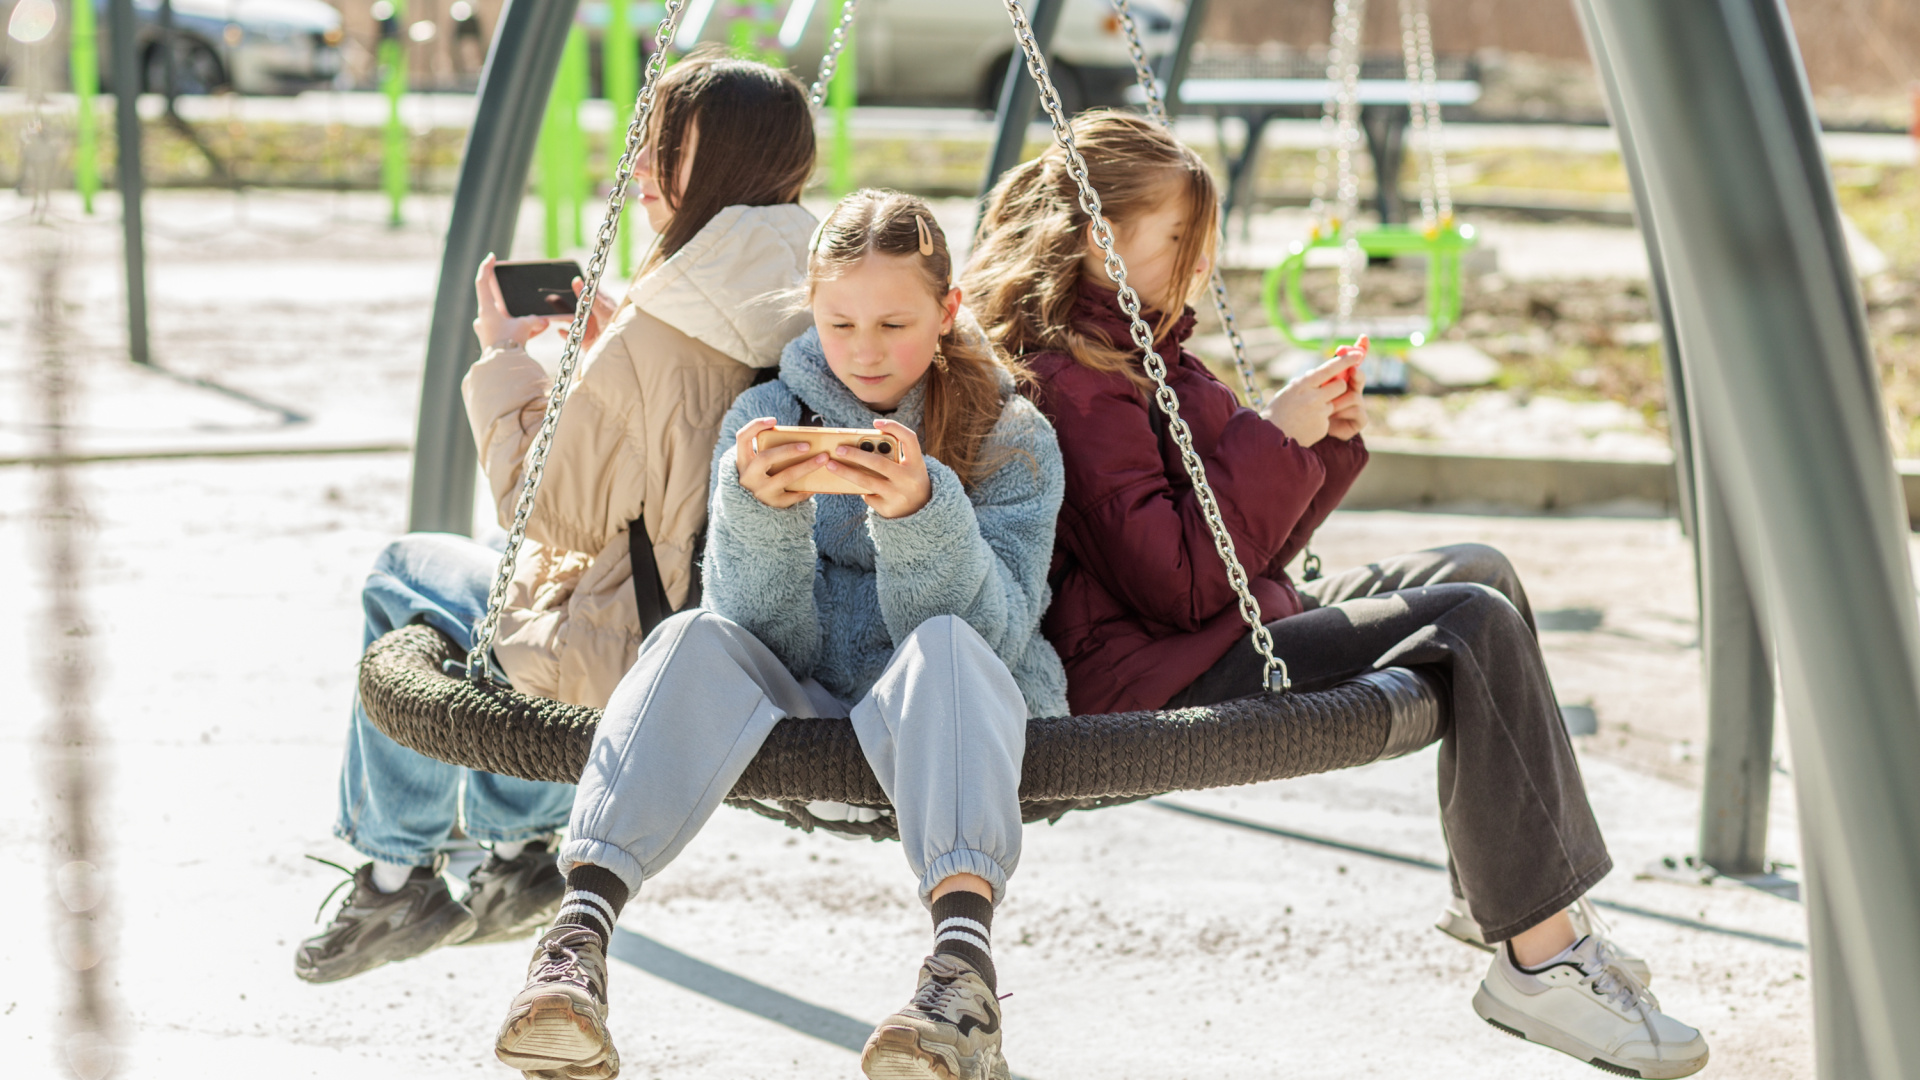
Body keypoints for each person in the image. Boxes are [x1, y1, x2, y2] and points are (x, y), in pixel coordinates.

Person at [965, 110, 1709, 1080]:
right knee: (1468, 624)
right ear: (1093, 241)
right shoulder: (1073, 381)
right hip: (1150, 676)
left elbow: (1248, 548)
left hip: (1209, 630)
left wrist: (1314, 446)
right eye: (1181, 243)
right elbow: (1185, 580)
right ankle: (1541, 958)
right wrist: (1272, 436)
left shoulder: (1148, 354)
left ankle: (1502, 893)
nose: (1203, 266)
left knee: (1477, 570)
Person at [489, 190, 1065, 1080]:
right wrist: (757, 513)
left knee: (949, 647)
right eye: (840, 323)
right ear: (811, 309)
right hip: (808, 697)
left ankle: (961, 974)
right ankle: (574, 947)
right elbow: (760, 636)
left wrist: (921, 513)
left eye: (894, 323)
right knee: (691, 637)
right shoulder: (767, 412)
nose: (866, 350)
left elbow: (998, 629)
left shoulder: (1011, 435)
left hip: (951, 707)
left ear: (949, 312)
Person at [297, 49, 820, 985]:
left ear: (725, 165)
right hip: (757, 630)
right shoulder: (822, 290)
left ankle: (399, 872)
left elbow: (542, 512)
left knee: (406, 571)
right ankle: (506, 854)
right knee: (504, 588)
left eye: (666, 150)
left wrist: (507, 357)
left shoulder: (662, 332)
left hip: (646, 648)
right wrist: (610, 352)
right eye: (647, 144)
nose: (646, 174)